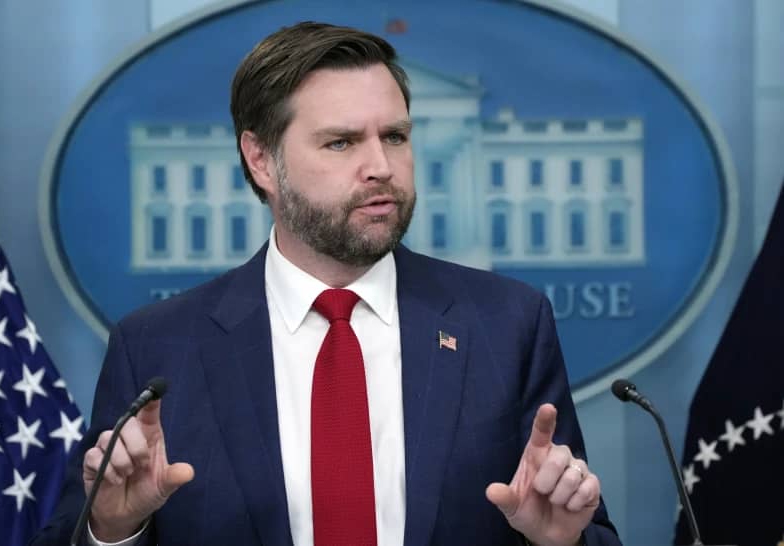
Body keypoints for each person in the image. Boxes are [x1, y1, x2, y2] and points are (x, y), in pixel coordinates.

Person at [33, 21, 621, 546]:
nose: (382, 167)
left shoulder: (508, 323)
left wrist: (558, 544)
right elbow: (75, 533)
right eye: (341, 142)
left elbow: (583, 529)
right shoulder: (158, 346)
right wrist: (113, 530)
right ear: (262, 161)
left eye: (394, 136)